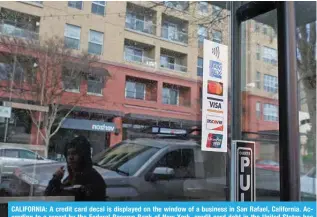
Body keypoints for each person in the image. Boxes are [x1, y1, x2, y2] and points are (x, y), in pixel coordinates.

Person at [45, 136, 106, 201]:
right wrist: (56, 179)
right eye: (68, 154)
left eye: (74, 153)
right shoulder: (71, 177)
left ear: (83, 156)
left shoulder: (93, 179)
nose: (70, 157)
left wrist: (55, 180)